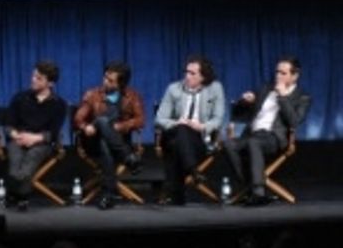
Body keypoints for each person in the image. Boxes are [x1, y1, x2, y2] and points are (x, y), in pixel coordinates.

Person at [224, 56, 311, 206]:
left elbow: (294, 121)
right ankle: (248, 186)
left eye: (283, 73)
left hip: (274, 138)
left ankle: (258, 193)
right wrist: (246, 102)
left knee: (253, 142)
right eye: (277, 72)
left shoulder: (302, 97)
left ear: (295, 75)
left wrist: (283, 97)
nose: (278, 76)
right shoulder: (266, 89)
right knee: (228, 144)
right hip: (252, 133)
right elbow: (244, 115)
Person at [154, 54, 226, 205]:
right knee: (181, 129)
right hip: (173, 134)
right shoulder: (173, 89)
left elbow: (218, 118)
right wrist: (177, 123)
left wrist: (202, 126)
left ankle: (176, 195)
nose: (187, 76)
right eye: (186, 71)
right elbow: (159, 118)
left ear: (203, 77)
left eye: (192, 73)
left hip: (198, 139)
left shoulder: (215, 88)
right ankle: (193, 171)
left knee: (177, 147)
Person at [72, 60, 145, 210]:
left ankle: (108, 194)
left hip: (119, 140)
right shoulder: (92, 94)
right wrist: (86, 127)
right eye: (105, 77)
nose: (105, 81)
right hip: (92, 141)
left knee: (105, 143)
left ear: (120, 84)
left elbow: (140, 120)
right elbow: (78, 119)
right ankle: (129, 159)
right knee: (101, 121)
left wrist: (120, 126)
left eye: (110, 80)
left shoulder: (132, 96)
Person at [3, 60, 68, 212]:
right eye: (33, 76)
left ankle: (21, 197)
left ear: (50, 83)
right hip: (17, 139)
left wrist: (34, 138)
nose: (33, 79)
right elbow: (8, 125)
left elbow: (53, 133)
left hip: (41, 143)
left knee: (29, 161)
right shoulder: (20, 98)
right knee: (15, 170)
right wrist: (17, 136)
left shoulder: (59, 104)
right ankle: (20, 192)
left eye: (39, 78)